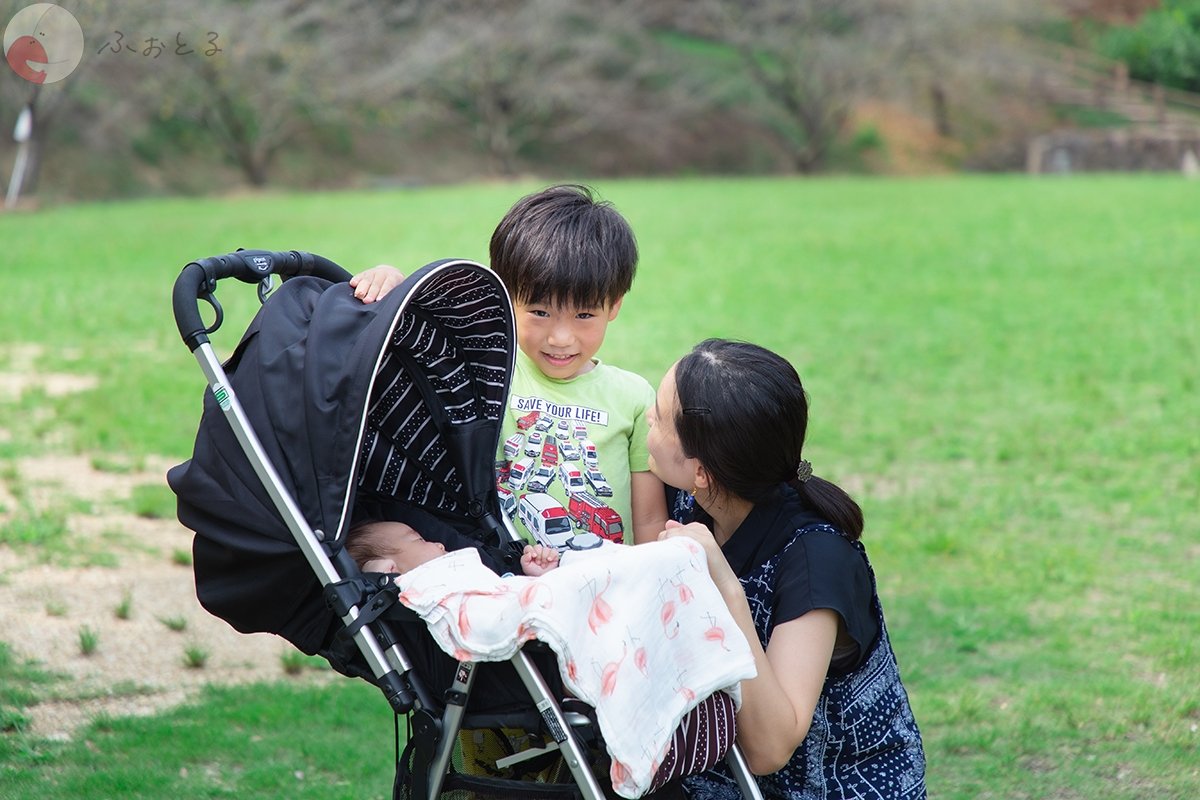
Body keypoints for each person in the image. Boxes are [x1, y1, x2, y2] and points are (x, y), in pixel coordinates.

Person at [648, 339, 926, 799]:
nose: (646, 420)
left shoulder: (818, 559)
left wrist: (726, 591)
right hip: (721, 777)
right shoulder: (693, 501)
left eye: (657, 416)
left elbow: (770, 749)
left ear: (701, 471)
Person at [351, 184, 668, 546]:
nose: (561, 338)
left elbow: (649, 519)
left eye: (584, 314)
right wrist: (392, 284)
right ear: (504, 296)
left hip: (606, 589)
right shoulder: (485, 374)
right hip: (504, 580)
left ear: (614, 306)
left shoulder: (634, 397)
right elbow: (410, 349)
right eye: (539, 312)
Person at [346, 518, 560, 577]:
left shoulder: (470, 570)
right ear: (390, 568)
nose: (440, 543)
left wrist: (535, 576)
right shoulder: (429, 590)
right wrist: (377, 575)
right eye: (420, 540)